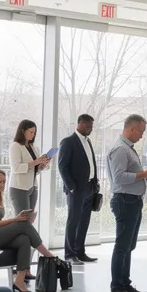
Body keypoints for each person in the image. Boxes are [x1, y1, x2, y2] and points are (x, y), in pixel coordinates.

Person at [0, 168, 56, 292]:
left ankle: (19, 280)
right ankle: (49, 256)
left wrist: (15, 221)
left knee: (23, 239)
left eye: (4, 182)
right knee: (22, 224)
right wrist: (14, 220)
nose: (2, 185)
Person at [107, 114, 147, 292]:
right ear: (131, 129)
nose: (142, 136)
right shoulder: (121, 150)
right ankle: (116, 288)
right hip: (125, 201)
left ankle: (125, 283)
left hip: (132, 201)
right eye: (141, 131)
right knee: (122, 247)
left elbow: (132, 175)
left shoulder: (128, 149)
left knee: (128, 247)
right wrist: (143, 174)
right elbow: (119, 177)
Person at [57, 113, 100, 264]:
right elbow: (62, 166)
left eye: (91, 126)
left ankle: (80, 252)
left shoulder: (88, 142)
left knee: (84, 222)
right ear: (79, 124)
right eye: (88, 126)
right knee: (73, 221)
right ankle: (69, 254)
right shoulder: (68, 142)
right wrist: (72, 187)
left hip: (89, 187)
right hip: (76, 189)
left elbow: (91, 163)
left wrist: (95, 183)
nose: (90, 129)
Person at [8, 119, 50, 214]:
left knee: (30, 219)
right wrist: (36, 162)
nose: (33, 134)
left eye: (34, 132)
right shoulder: (15, 146)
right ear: (23, 131)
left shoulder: (33, 147)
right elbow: (16, 168)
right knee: (22, 220)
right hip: (19, 188)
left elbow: (35, 170)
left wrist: (42, 165)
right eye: (31, 132)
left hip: (32, 187)